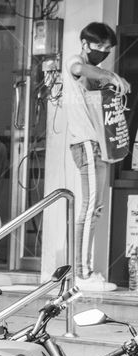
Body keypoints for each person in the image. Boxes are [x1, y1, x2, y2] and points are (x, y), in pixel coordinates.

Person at [65, 21, 131, 292]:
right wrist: (112, 76)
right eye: (99, 46)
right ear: (84, 43)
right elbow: (80, 69)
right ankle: (81, 273)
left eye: (108, 48)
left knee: (95, 209)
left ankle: (85, 270)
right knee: (90, 208)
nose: (103, 52)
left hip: (96, 145)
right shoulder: (76, 62)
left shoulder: (95, 72)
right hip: (87, 144)